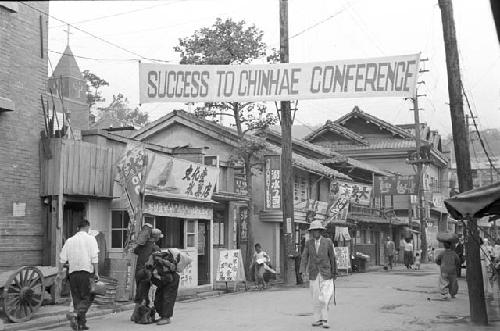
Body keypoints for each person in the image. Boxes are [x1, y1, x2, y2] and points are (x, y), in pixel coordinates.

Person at [59, 219, 99, 331]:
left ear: (78, 228)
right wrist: (96, 272)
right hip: (86, 273)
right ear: (87, 228)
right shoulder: (91, 239)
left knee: (77, 298)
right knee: (89, 296)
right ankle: (76, 313)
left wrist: (59, 273)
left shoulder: (69, 241)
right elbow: (94, 257)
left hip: (73, 274)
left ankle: (81, 324)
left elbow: (62, 259)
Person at [299, 220, 337, 329]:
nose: (315, 232)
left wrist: (334, 272)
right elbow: (304, 257)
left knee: (324, 298)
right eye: (313, 231)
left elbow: (332, 257)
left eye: (317, 230)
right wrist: (302, 271)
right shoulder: (308, 243)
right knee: (315, 298)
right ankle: (318, 319)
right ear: (311, 232)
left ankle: (325, 320)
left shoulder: (328, 242)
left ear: (320, 231)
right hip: (314, 273)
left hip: (326, 273)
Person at [146, 239, 181, 326]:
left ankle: (166, 317)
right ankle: (162, 315)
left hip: (171, 280)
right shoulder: (151, 268)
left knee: (167, 297)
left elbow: (168, 278)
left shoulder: (159, 265)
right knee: (158, 297)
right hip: (163, 281)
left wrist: (157, 277)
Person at [130, 228, 162, 322]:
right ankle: (142, 317)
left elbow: (135, 251)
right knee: (144, 295)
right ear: (156, 238)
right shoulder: (155, 248)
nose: (159, 239)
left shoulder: (142, 246)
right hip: (146, 273)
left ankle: (134, 315)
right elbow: (158, 262)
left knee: (140, 292)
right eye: (158, 237)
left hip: (138, 272)